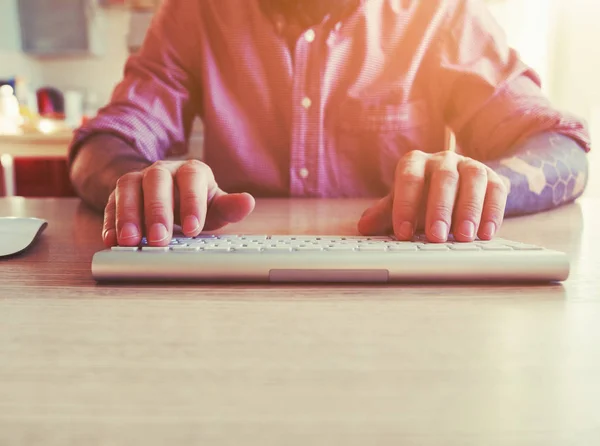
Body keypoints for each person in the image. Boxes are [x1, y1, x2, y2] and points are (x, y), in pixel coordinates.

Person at [68, 0, 591, 248]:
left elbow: (561, 145)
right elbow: (109, 139)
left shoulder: (439, 14)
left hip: (410, 299)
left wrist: (480, 187)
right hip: (228, 290)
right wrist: (137, 184)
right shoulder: (195, 12)